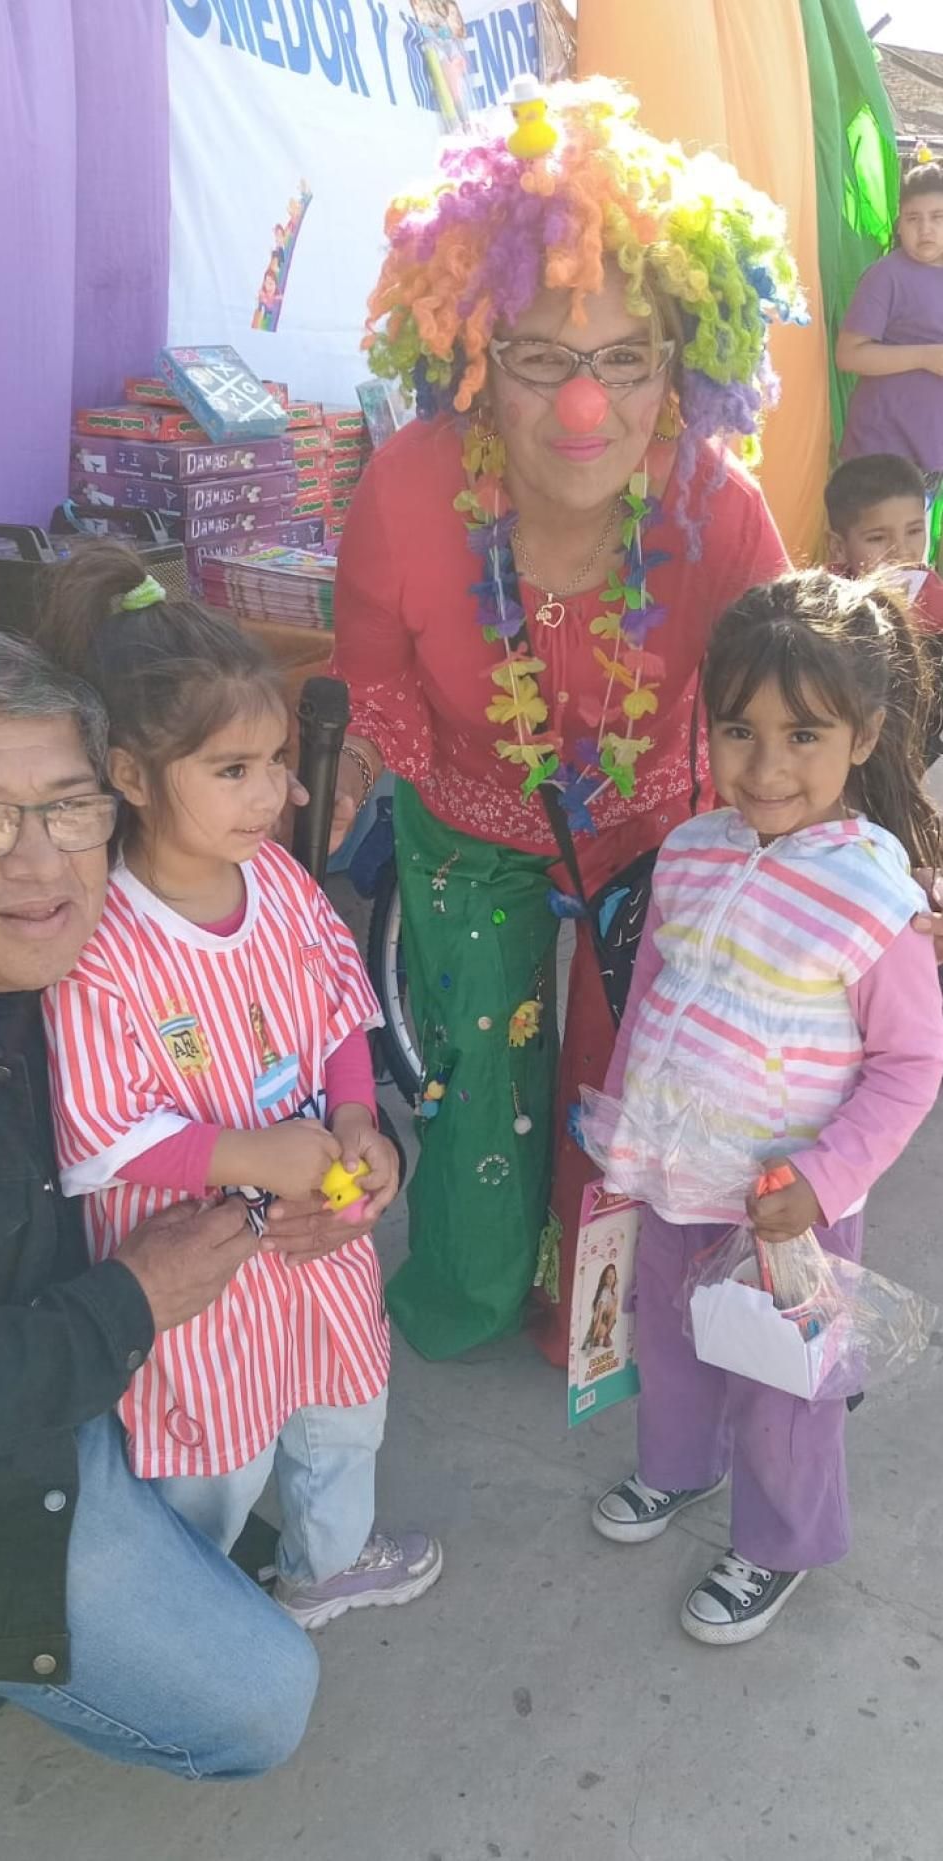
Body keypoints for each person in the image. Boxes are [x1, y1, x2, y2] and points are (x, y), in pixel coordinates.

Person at [330, 76, 798, 1363]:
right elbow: (370, 688)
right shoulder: (404, 491)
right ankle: (469, 1287)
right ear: (474, 358)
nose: (586, 406)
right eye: (541, 357)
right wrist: (341, 792)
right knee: (480, 1088)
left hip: (650, 835)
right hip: (467, 822)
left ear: (678, 361)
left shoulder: (717, 506)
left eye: (625, 358)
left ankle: (585, 1324)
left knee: (622, 1092)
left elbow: (784, 696)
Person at [37, 541, 442, 1631]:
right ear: (130, 774)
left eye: (274, 761)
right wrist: (249, 1153)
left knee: (341, 1412)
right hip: (200, 1281)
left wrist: (354, 1117)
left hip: (316, 1247)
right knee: (212, 1464)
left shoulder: (280, 883)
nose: (273, 793)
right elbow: (101, 1127)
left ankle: (327, 1561)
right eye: (232, 769)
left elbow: (338, 1004)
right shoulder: (100, 940)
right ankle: (188, 1624)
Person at [0, 624, 321, 1772]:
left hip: (95, 1367)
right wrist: (132, 1301)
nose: (38, 862)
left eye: (68, 807)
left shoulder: (109, 945)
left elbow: (290, 1030)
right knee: (258, 1701)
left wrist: (345, 1148)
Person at [583, 571, 943, 1645]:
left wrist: (821, 1183)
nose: (767, 766)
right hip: (676, 1174)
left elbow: (909, 1065)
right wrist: (624, 1122)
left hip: (788, 1213)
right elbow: (653, 996)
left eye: (804, 735)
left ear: (863, 735)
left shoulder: (875, 898)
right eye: (739, 730)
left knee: (784, 1384)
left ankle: (779, 1541)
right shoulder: (693, 851)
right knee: (674, 1341)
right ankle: (679, 1464)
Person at [836, 155, 943, 481]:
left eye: (937, 217)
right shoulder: (886, 276)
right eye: (913, 218)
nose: (925, 229)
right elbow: (848, 355)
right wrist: (926, 357)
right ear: (899, 224)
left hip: (931, 455)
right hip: (882, 452)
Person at [824, 451, 943, 631]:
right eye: (877, 538)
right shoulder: (821, 604)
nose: (901, 552)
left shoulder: (934, 597)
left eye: (914, 531)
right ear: (838, 547)